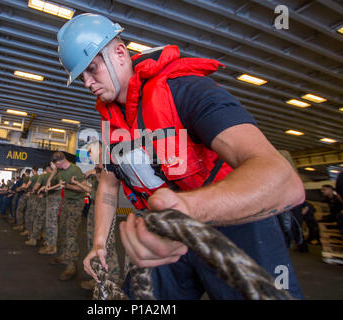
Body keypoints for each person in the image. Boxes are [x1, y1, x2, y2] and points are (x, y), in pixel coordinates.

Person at [57, 13, 305, 300]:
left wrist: (185, 210)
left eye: (92, 69)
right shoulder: (112, 124)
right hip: (168, 230)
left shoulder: (185, 89)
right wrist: (99, 242)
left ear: (120, 53)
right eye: (81, 77)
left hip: (238, 225)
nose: (88, 83)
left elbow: (285, 181)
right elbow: (109, 187)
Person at [71, 141, 120, 290]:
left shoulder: (107, 162)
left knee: (107, 246)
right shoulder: (97, 168)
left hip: (106, 209)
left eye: (91, 152)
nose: (90, 155)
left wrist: (97, 171)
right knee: (94, 243)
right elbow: (93, 191)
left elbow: (111, 186)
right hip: (95, 207)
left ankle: (111, 283)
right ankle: (99, 279)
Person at [45, 151, 85, 281]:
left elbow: (82, 188)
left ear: (62, 161)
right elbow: (51, 183)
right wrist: (52, 174)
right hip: (66, 202)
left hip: (76, 203)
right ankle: (64, 256)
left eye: (57, 165)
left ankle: (72, 266)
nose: (57, 168)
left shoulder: (75, 170)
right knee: (62, 230)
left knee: (71, 233)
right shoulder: (60, 170)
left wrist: (67, 185)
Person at [26, 164, 52, 246]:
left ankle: (34, 238)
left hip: (42, 199)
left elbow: (36, 186)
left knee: (37, 218)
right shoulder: (57, 176)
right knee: (49, 220)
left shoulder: (42, 176)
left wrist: (34, 191)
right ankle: (45, 237)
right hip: (53, 200)